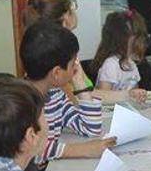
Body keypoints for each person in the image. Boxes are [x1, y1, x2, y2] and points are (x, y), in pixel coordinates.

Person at [20, 21, 115, 163]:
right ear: (57, 72)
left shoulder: (55, 95)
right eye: (73, 64)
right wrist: (82, 150)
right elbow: (32, 150)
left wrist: (80, 84)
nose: (77, 67)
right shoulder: (20, 104)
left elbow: (91, 128)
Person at [91, 10, 150, 103]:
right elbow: (103, 98)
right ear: (122, 39)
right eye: (137, 36)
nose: (141, 42)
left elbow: (133, 90)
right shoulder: (111, 65)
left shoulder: (131, 63)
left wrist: (138, 95)